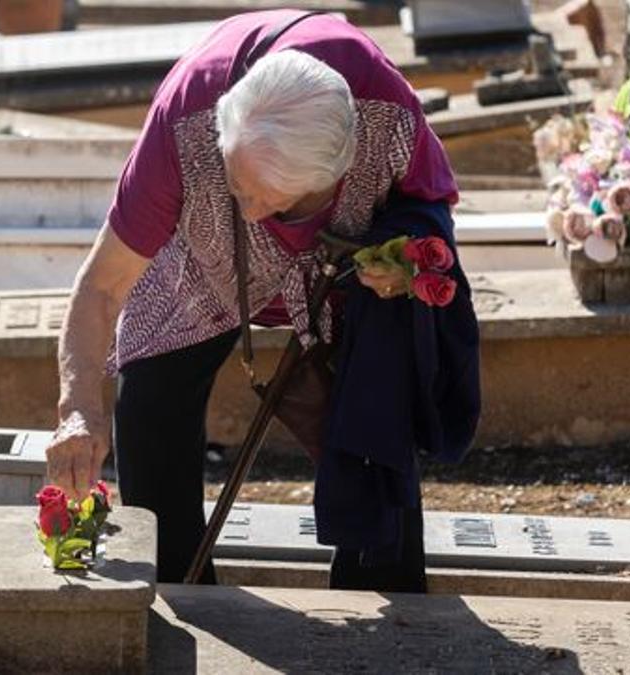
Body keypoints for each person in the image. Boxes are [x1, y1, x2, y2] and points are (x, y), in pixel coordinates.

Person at [46, 9, 462, 585]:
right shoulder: (184, 124)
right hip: (201, 255)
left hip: (340, 263)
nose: (252, 212)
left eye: (271, 200)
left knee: (380, 396)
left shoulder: (384, 114)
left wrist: (401, 262)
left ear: (335, 174)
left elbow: (430, 214)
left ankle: (385, 600)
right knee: (148, 400)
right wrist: (77, 410)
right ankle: (177, 590)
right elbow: (100, 285)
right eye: (240, 186)